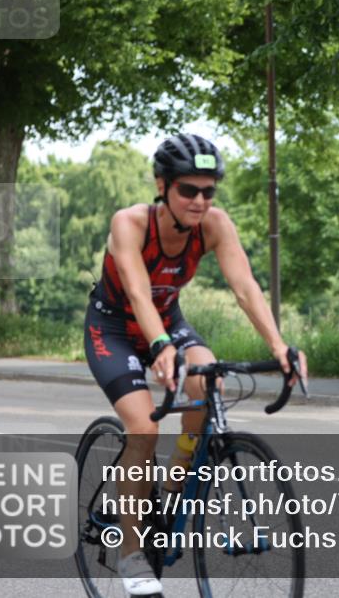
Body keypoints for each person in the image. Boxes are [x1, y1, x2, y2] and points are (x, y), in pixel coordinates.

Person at [83, 133, 307, 596]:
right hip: (114, 329)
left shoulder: (215, 225)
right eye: (188, 190)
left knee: (210, 384)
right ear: (162, 185)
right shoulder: (130, 223)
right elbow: (138, 293)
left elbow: (245, 287)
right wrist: (160, 345)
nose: (200, 201)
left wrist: (279, 346)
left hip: (169, 322)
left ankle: (171, 487)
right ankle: (130, 554)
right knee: (143, 429)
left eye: (208, 191)